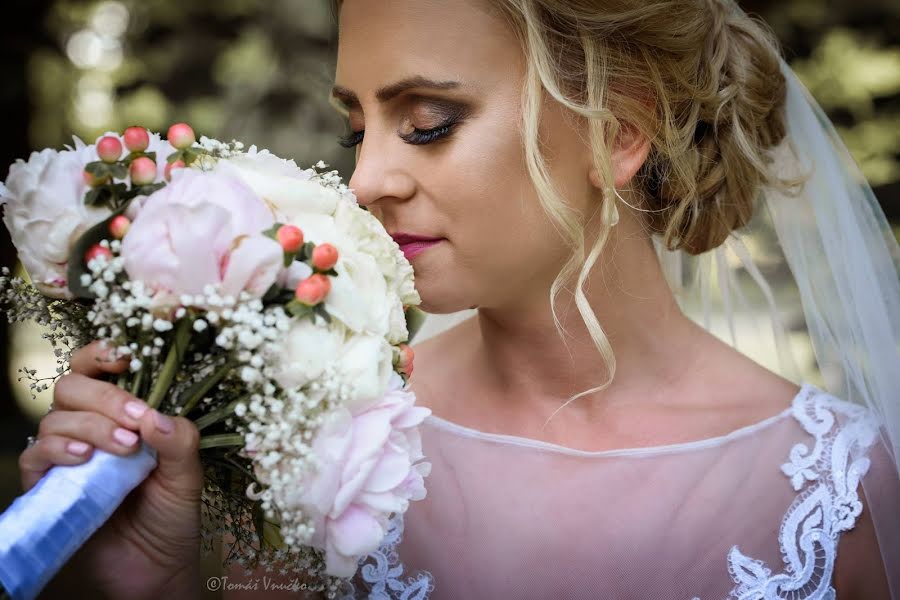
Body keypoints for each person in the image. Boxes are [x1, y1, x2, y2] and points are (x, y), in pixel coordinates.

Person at [17, 0, 899, 598]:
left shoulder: (831, 492)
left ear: (619, 130)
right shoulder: (324, 444)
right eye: (357, 127)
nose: (364, 181)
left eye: (427, 122)